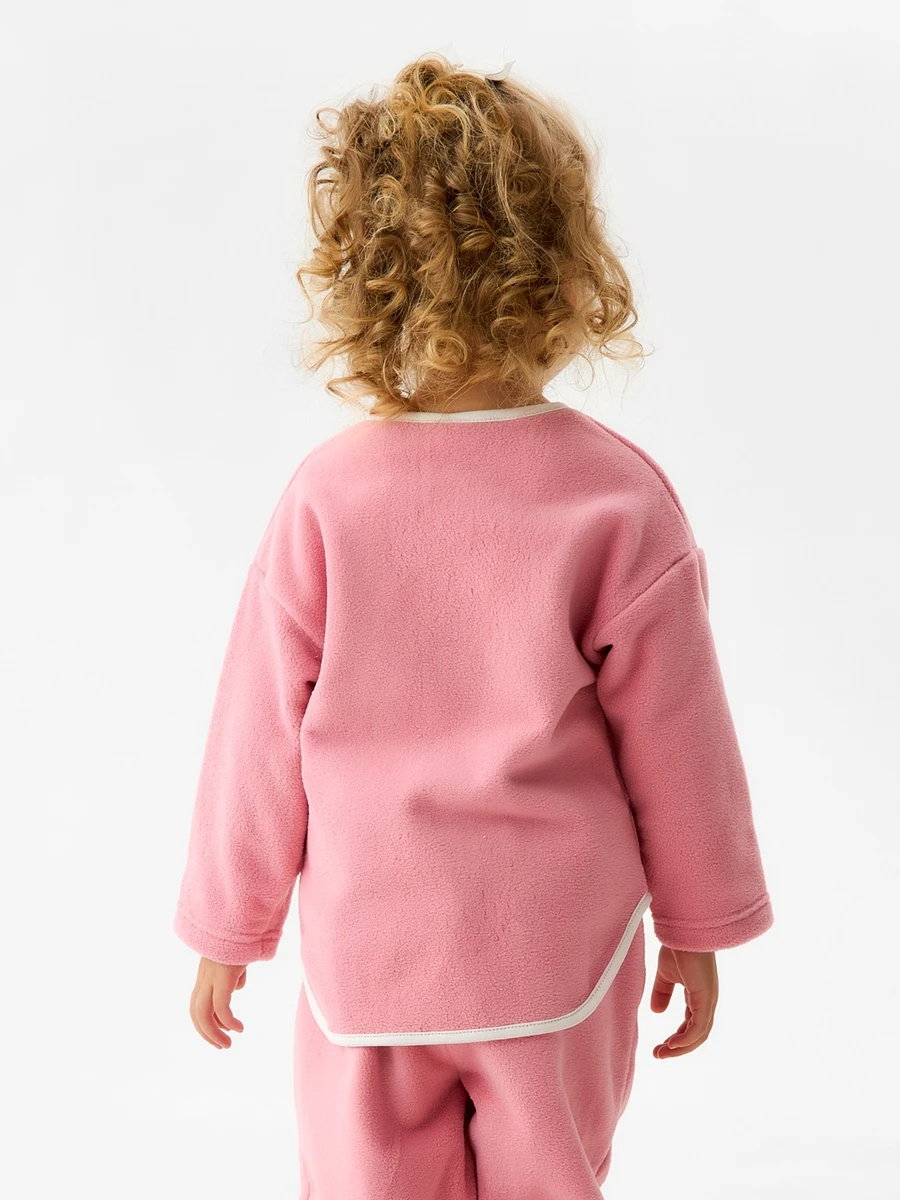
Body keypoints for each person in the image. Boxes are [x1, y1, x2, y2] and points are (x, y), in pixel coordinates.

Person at [173, 52, 775, 1199]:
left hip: (373, 958)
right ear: (566, 266)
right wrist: (699, 921)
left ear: (365, 276)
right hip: (559, 955)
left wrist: (226, 926)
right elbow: (680, 739)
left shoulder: (328, 498)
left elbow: (257, 737)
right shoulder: (616, 497)